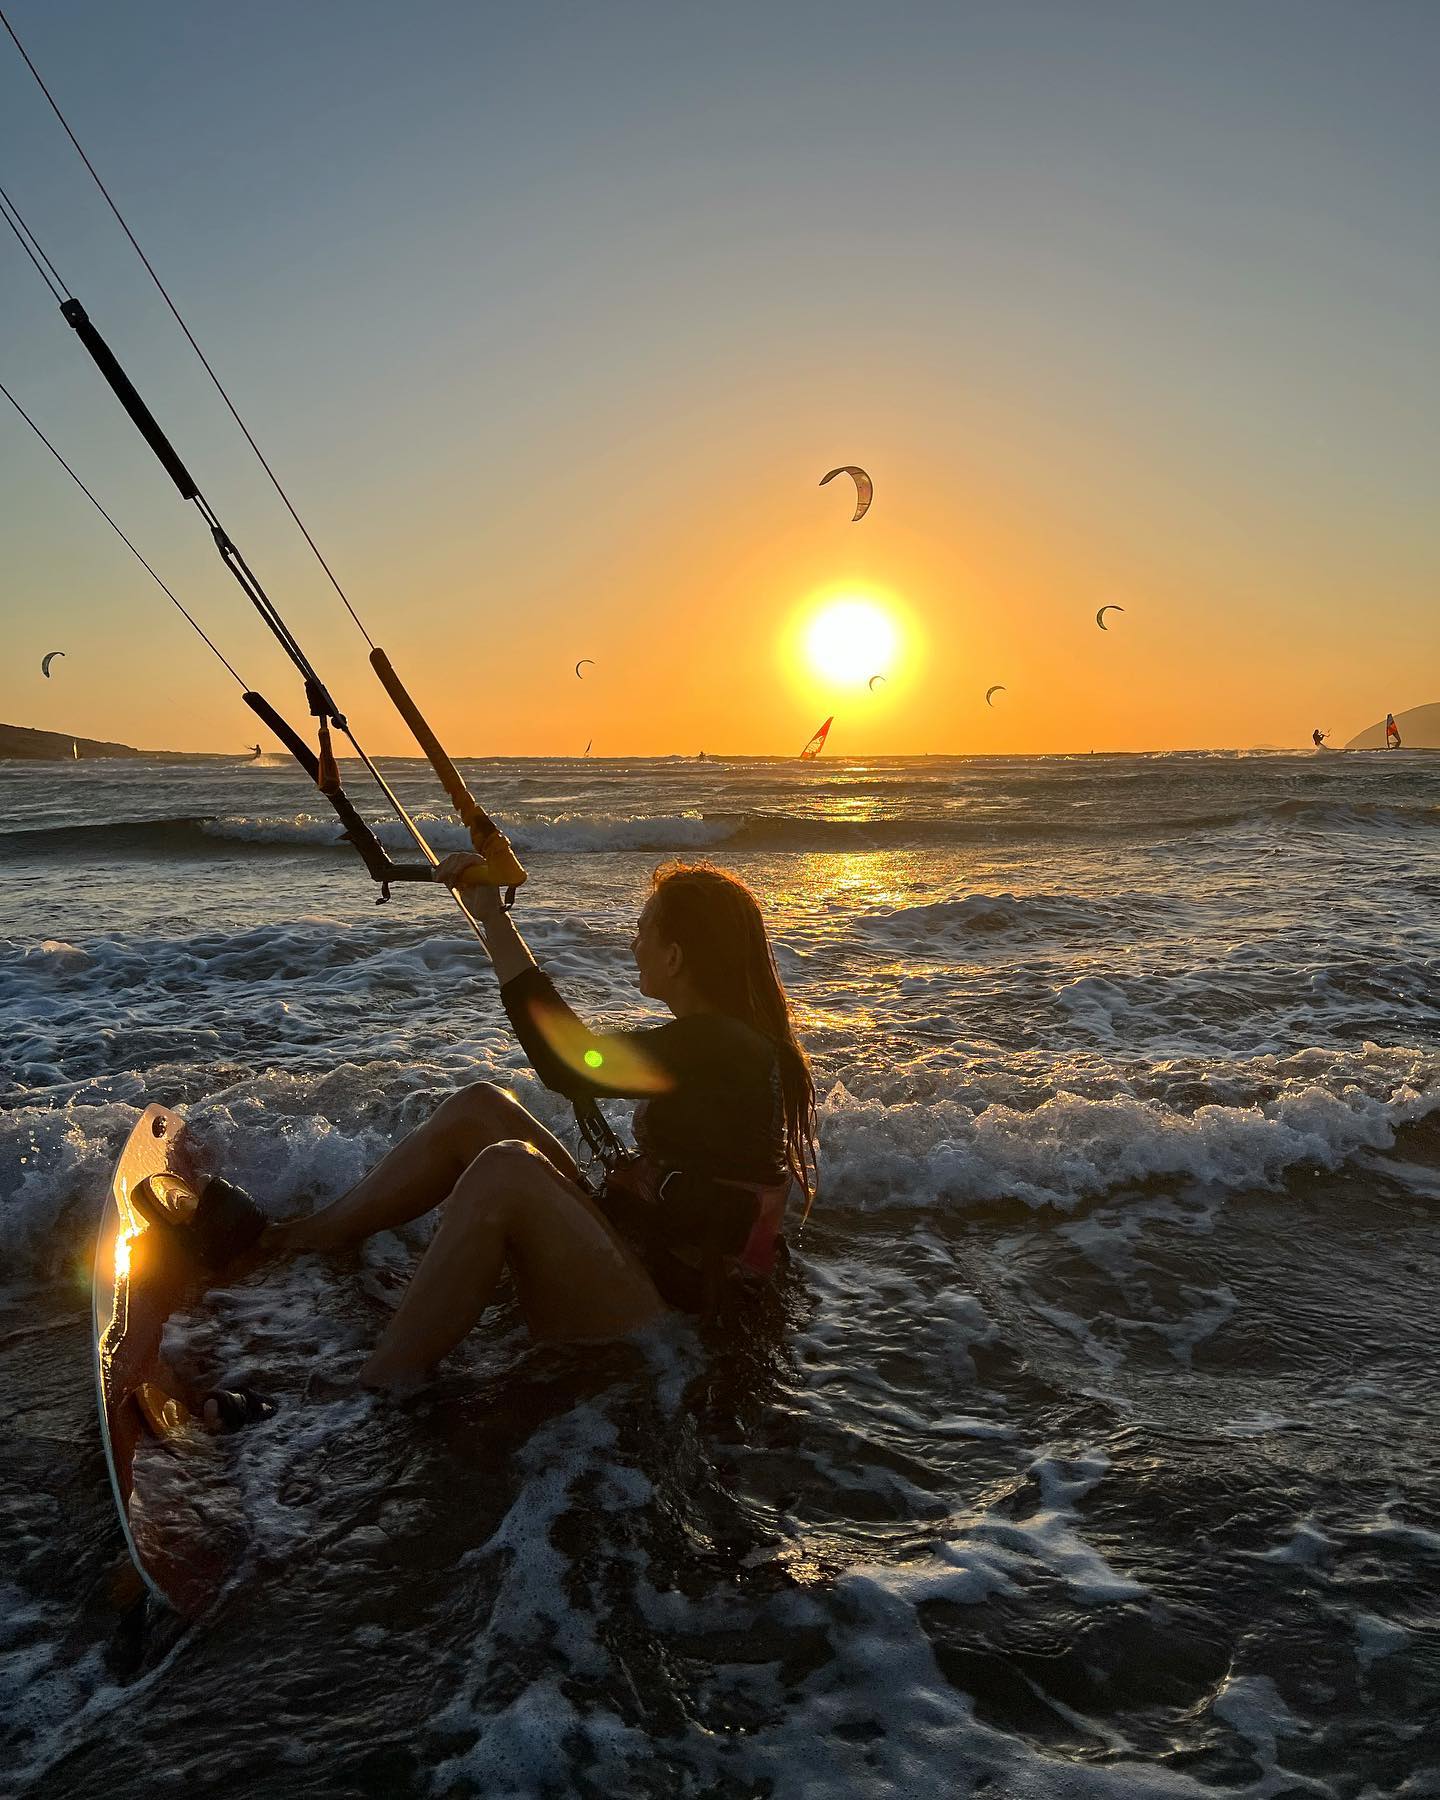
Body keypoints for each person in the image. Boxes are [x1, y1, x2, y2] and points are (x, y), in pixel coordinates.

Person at [270, 860, 817, 1391]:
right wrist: (489, 912)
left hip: (677, 1312)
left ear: (674, 956)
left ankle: (377, 1384)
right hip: (648, 1255)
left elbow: (572, 1063)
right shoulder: (722, 1040)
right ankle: (300, 1241)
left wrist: (494, 919)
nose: (633, 944)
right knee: (479, 1108)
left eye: (642, 931)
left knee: (505, 1170)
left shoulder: (722, 1046)